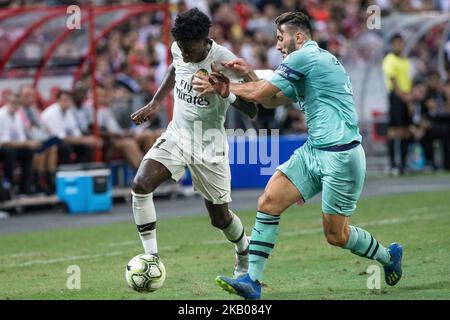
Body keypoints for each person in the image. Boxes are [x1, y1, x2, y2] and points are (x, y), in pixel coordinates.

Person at [194, 11, 403, 299]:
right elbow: (270, 99)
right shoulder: (309, 64)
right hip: (314, 150)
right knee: (268, 202)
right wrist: (247, 75)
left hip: (341, 156)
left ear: (299, 37)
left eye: (281, 39)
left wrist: (224, 87)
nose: (278, 45)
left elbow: (259, 94)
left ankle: (388, 256)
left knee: (336, 235)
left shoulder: (305, 57)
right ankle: (252, 282)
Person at [129, 8, 257, 278]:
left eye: (190, 50)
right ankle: (151, 258)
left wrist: (226, 91)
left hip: (210, 144)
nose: (185, 54)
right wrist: (154, 102)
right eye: (182, 49)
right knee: (141, 185)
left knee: (219, 219)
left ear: (204, 40)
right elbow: (175, 67)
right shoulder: (180, 48)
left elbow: (253, 109)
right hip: (178, 134)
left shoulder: (225, 61)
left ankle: (243, 249)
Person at [41, 90, 102, 164]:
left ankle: (81, 170)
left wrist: (86, 141)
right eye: (64, 100)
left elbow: (75, 131)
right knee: (66, 148)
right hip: (47, 141)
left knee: (84, 146)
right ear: (58, 100)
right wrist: (86, 140)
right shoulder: (52, 113)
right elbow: (60, 137)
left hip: (61, 139)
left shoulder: (68, 111)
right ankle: (63, 172)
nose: (66, 102)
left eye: (68, 100)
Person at [382, 34, 413, 175]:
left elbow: (407, 81)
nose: (399, 45)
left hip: (406, 97)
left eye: (401, 42)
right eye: (396, 43)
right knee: (395, 131)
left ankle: (404, 163)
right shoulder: (390, 59)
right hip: (396, 98)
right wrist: (405, 98)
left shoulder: (405, 60)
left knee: (406, 131)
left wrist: (409, 98)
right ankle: (394, 164)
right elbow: (393, 83)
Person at [0, 94, 41, 195]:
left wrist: (29, 144)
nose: (14, 106)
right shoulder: (2, 116)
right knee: (10, 153)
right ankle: (8, 187)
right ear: (7, 103)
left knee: (29, 151)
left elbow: (21, 138)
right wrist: (28, 143)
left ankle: (25, 187)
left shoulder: (18, 115)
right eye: (12, 103)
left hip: (12, 147)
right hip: (3, 148)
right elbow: (5, 142)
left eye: (17, 104)